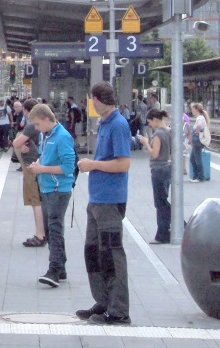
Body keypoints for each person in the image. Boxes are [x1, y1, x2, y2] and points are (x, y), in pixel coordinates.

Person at [74, 81, 132, 326]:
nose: (91, 105)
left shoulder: (119, 125)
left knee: (111, 255)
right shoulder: (104, 123)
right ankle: (103, 301)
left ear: (97, 99)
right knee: (93, 253)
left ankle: (119, 311)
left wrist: (93, 165)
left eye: (92, 100)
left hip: (110, 201)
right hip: (97, 200)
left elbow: (123, 164)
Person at [26, 103, 77, 287]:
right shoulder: (46, 136)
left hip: (58, 190)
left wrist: (42, 169)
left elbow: (69, 167)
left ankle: (54, 270)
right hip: (47, 188)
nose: (36, 128)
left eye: (38, 124)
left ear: (48, 119)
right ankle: (61, 267)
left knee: (54, 229)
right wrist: (38, 163)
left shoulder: (62, 137)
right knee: (50, 228)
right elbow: (46, 156)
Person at [12, 99, 47, 248]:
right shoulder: (42, 125)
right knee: (40, 200)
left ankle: (40, 235)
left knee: (35, 201)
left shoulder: (31, 126)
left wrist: (21, 145)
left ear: (27, 111)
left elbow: (15, 143)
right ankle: (43, 232)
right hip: (39, 165)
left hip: (32, 167)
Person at [137, 109, 172, 244]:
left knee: (160, 203)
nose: (149, 125)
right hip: (167, 168)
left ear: (155, 120)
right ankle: (173, 228)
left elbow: (155, 154)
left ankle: (165, 233)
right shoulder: (169, 132)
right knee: (163, 201)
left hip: (158, 170)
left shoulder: (158, 134)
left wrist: (146, 143)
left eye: (149, 122)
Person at [189, 102, 210, 182]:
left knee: (197, 159)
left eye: (193, 109)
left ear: (196, 110)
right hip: (197, 140)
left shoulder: (199, 118)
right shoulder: (201, 117)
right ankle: (196, 176)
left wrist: (197, 132)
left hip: (197, 140)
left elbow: (199, 125)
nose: (192, 111)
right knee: (193, 158)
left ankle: (200, 177)